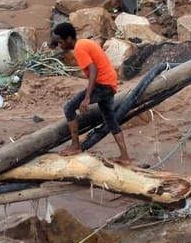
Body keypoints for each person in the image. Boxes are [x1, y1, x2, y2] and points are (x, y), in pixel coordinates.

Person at [51, 22, 132, 165]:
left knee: (69, 108)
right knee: (110, 119)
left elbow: (93, 69)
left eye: (60, 42)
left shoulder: (79, 48)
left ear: (69, 38)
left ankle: (75, 146)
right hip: (110, 83)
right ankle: (125, 157)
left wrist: (87, 97)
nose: (60, 45)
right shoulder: (84, 43)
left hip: (102, 84)